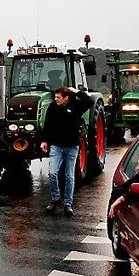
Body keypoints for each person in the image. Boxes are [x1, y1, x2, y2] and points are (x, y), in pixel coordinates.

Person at [39, 86, 94, 217]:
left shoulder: (76, 106)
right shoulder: (52, 108)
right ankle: (55, 198)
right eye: (55, 97)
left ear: (66, 98)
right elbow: (48, 125)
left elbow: (90, 101)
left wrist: (77, 91)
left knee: (69, 176)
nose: (56, 99)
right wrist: (44, 141)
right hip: (56, 146)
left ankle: (68, 204)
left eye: (58, 97)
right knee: (52, 173)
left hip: (71, 147)